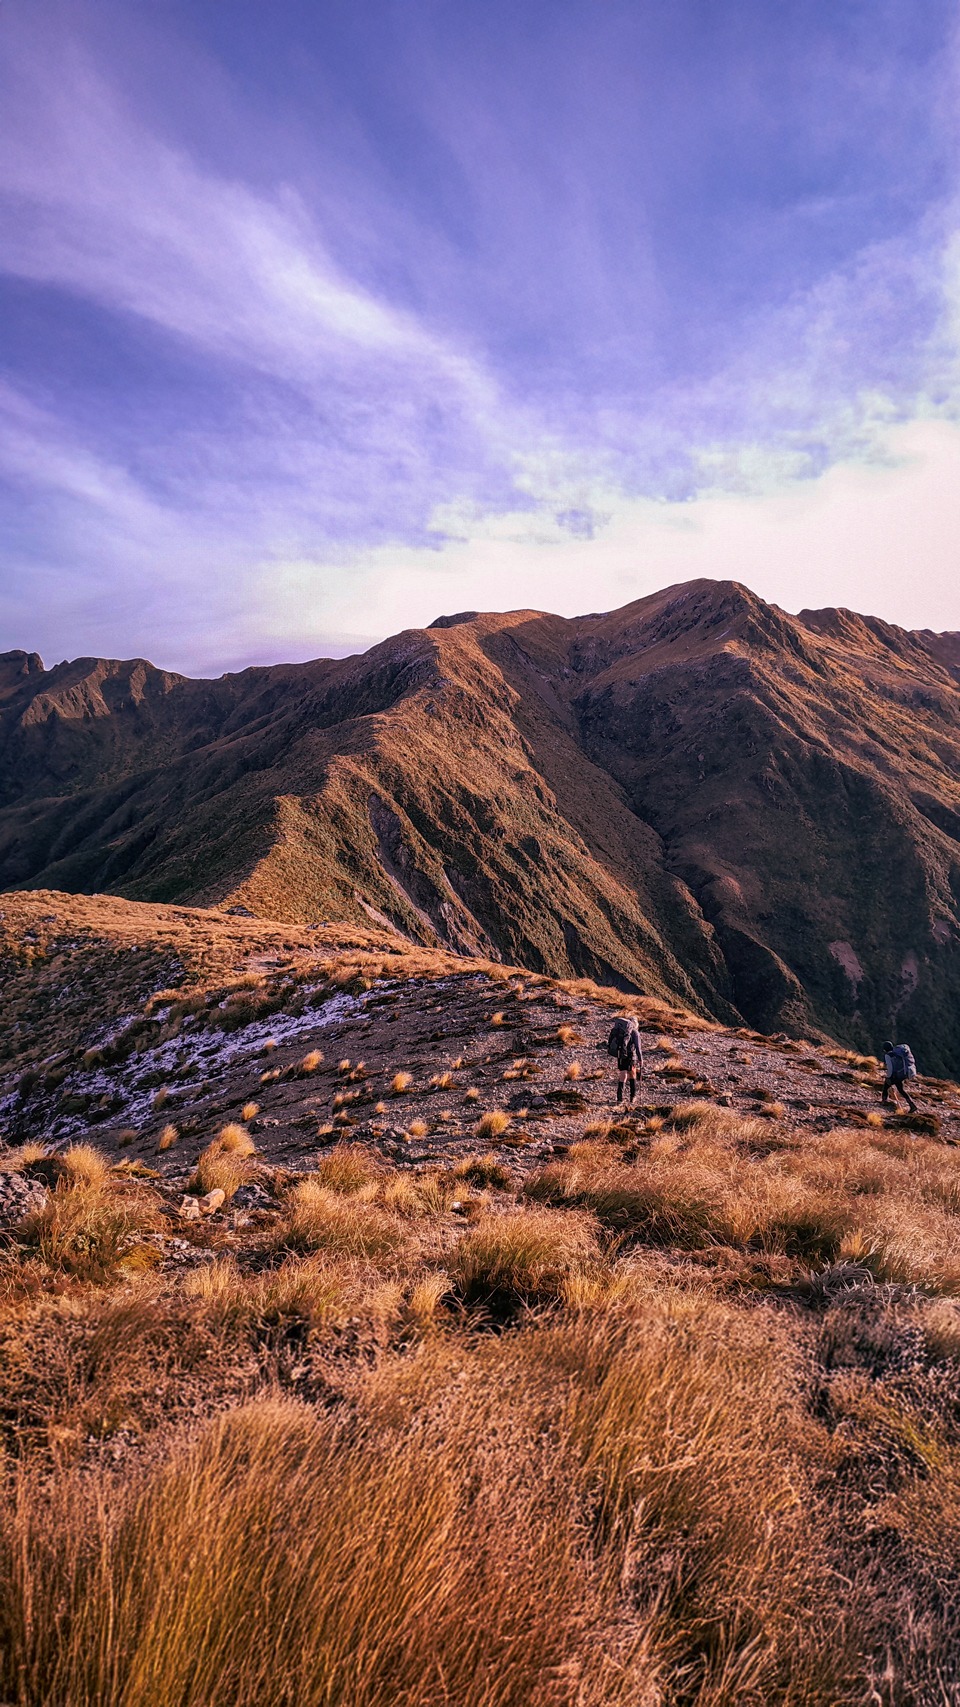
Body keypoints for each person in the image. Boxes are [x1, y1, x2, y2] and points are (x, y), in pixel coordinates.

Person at [606, 1015, 643, 1105]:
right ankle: (632, 1096)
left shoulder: (622, 1031)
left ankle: (619, 1098)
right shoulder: (635, 1033)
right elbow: (638, 1047)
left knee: (623, 1074)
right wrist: (640, 1059)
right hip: (631, 1055)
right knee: (632, 1074)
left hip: (621, 1054)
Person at [881, 1040, 918, 1113]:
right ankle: (912, 1104)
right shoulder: (897, 1053)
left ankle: (884, 1101)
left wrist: (888, 1077)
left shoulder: (888, 1055)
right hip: (902, 1074)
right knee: (900, 1089)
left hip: (897, 1075)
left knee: (886, 1086)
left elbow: (890, 1068)